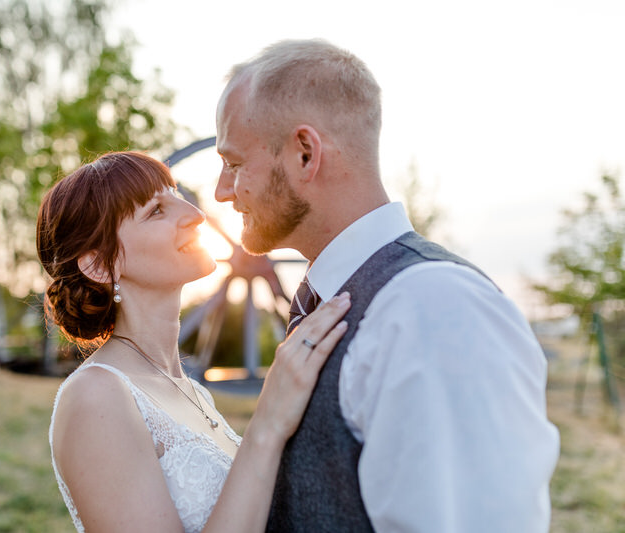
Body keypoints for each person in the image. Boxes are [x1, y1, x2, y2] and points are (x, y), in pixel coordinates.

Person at [214, 39, 560, 532]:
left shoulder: (434, 309)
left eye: (233, 164)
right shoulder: (345, 300)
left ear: (305, 154)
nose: (221, 191)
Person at [37, 150, 351, 533]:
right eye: (156, 210)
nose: (196, 214)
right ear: (100, 265)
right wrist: (268, 422)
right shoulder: (95, 396)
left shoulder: (193, 391)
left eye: (175, 194)